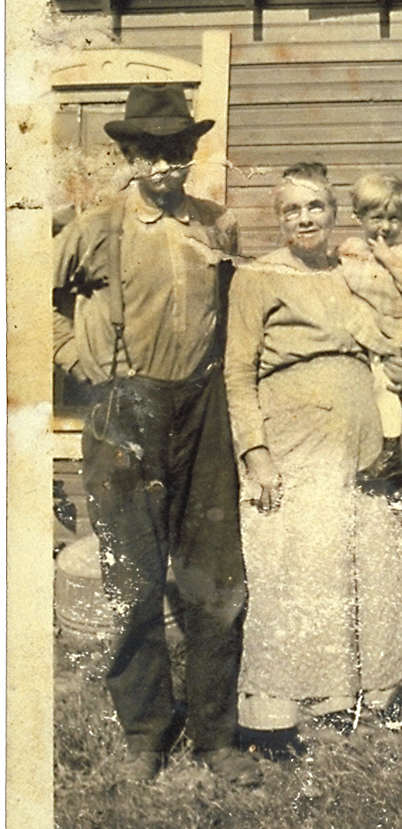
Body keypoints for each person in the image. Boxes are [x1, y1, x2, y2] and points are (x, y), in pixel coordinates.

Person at [53, 84, 259, 785]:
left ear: (192, 153)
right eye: (152, 152)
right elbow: (21, 295)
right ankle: (146, 732)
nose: (167, 164)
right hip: (123, 410)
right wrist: (65, 349)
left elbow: (241, 317)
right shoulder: (96, 227)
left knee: (214, 578)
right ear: (130, 156)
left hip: (201, 410)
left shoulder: (217, 226)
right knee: (133, 579)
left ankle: (216, 736)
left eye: (179, 150)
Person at [224, 163, 402, 743]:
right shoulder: (258, 277)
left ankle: (357, 702)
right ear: (278, 218)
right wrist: (255, 453)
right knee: (301, 567)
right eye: (292, 210)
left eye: (315, 207)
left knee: (363, 565)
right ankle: (289, 712)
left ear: (336, 214)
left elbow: (397, 334)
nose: (304, 218)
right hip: (293, 437)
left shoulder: (353, 273)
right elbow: (238, 373)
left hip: (360, 438)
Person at [338, 171, 402, 483]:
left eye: (394, 219)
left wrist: (386, 256)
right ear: (358, 216)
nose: (385, 227)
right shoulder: (349, 250)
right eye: (376, 217)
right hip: (370, 329)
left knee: (386, 384)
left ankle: (393, 449)